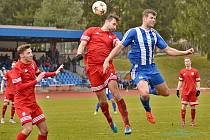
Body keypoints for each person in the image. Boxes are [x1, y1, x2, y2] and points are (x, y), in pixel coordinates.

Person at [103, 9, 194, 124]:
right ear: (144, 18)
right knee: (145, 94)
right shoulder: (133, 32)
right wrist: (107, 59)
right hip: (139, 69)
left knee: (165, 93)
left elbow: (167, 49)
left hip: (152, 68)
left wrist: (184, 52)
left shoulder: (154, 34)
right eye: (151, 18)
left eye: (155, 18)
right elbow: (119, 47)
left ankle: (147, 89)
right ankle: (148, 110)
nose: (153, 20)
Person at [73, 14, 131, 135]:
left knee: (116, 93)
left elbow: (119, 46)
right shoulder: (91, 30)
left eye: (116, 25)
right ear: (107, 21)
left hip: (107, 66)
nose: (115, 27)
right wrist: (79, 53)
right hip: (92, 70)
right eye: (114, 24)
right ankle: (110, 121)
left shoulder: (113, 36)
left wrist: (120, 46)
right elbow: (83, 44)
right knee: (102, 101)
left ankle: (127, 124)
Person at [11, 44, 63, 140]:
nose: (31, 55)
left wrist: (55, 73)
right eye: (28, 53)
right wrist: (36, 81)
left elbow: (40, 74)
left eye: (31, 52)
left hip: (32, 103)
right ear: (22, 55)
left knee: (44, 130)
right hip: (22, 104)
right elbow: (18, 88)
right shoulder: (16, 69)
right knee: (28, 129)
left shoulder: (32, 63)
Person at [176, 57, 200, 127]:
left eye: (188, 61)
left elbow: (198, 81)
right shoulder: (182, 71)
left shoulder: (195, 71)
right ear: (184, 63)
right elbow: (180, 81)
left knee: (193, 107)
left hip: (193, 91)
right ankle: (183, 121)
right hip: (185, 91)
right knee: (183, 106)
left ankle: (192, 121)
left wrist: (198, 89)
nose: (187, 62)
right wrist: (177, 89)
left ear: (190, 62)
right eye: (185, 61)